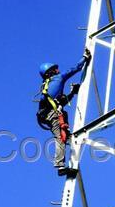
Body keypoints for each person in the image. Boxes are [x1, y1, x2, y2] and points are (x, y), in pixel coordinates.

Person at [37, 49, 92, 177]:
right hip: (51, 114)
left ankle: (67, 144)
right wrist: (84, 58)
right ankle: (60, 165)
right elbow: (75, 68)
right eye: (55, 69)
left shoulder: (48, 86)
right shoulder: (58, 78)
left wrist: (72, 92)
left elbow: (60, 104)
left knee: (63, 134)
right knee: (60, 138)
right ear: (50, 72)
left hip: (47, 114)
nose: (58, 70)